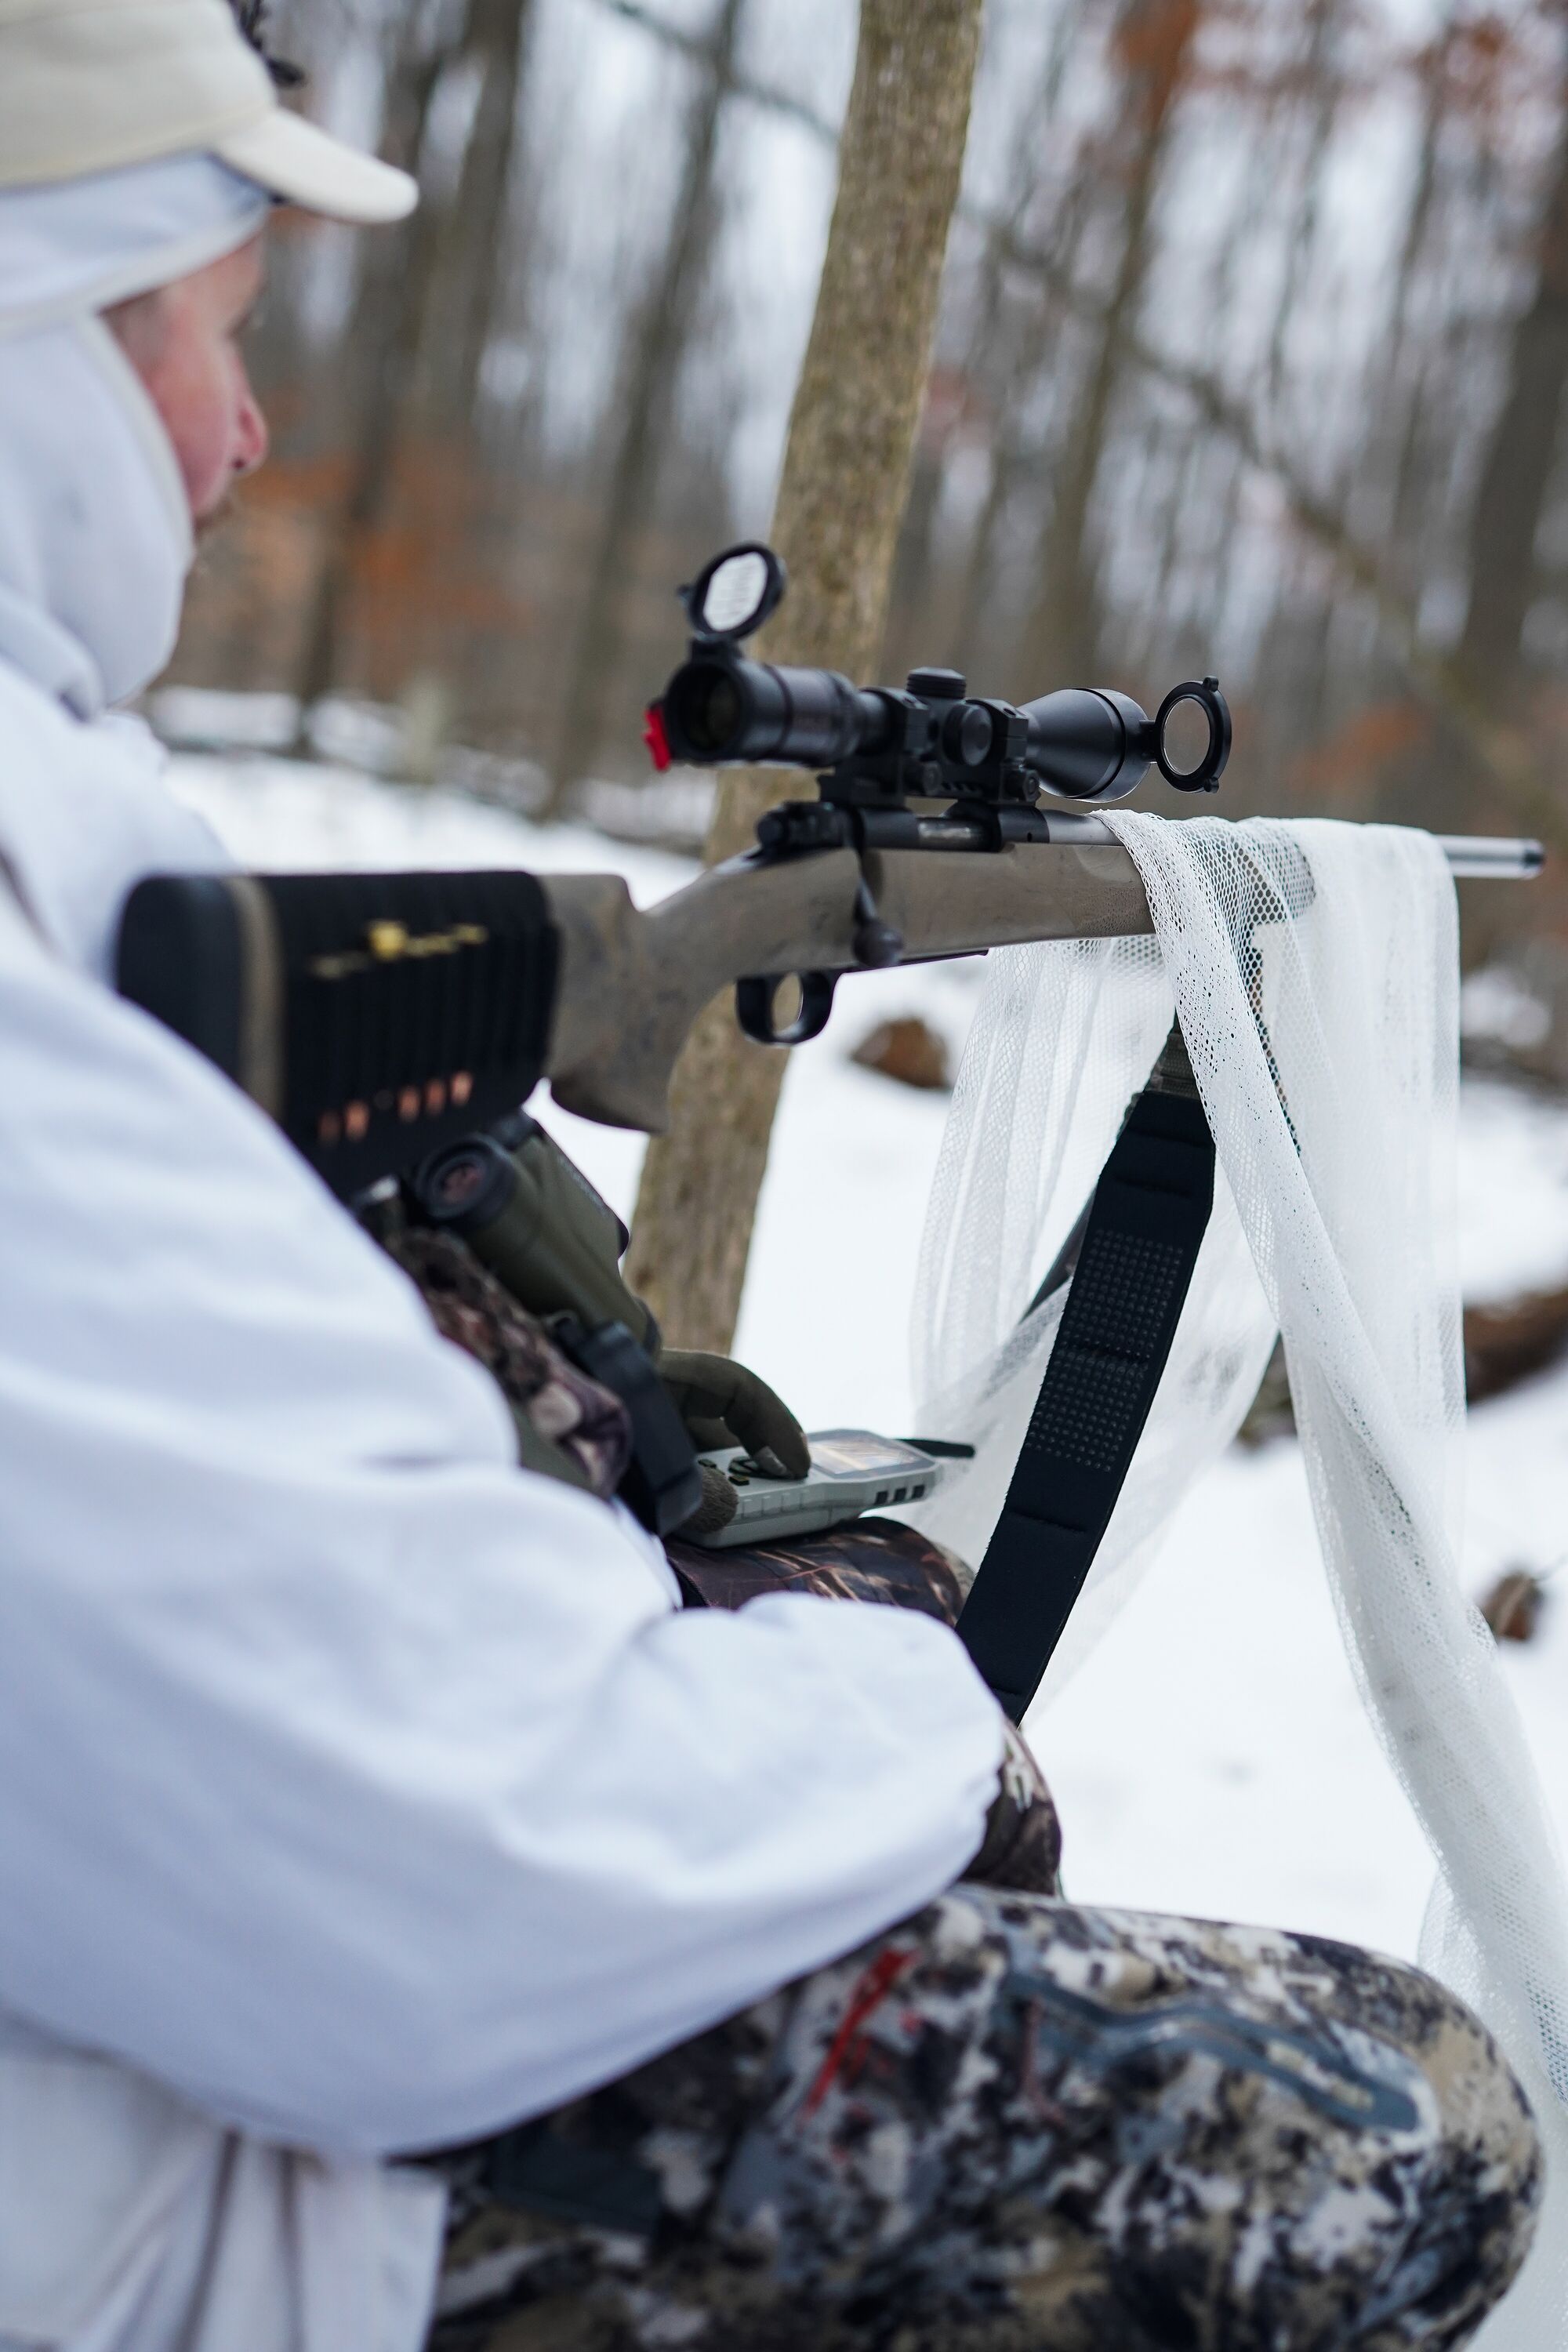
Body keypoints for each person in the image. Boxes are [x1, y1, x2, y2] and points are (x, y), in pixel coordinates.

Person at [0, 4, 1542, 2350]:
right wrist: (903, 1704)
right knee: (1421, 2122)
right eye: (214, 342)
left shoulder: (75, 844)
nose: (247, 437)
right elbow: (463, 1866)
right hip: (195, 2160)